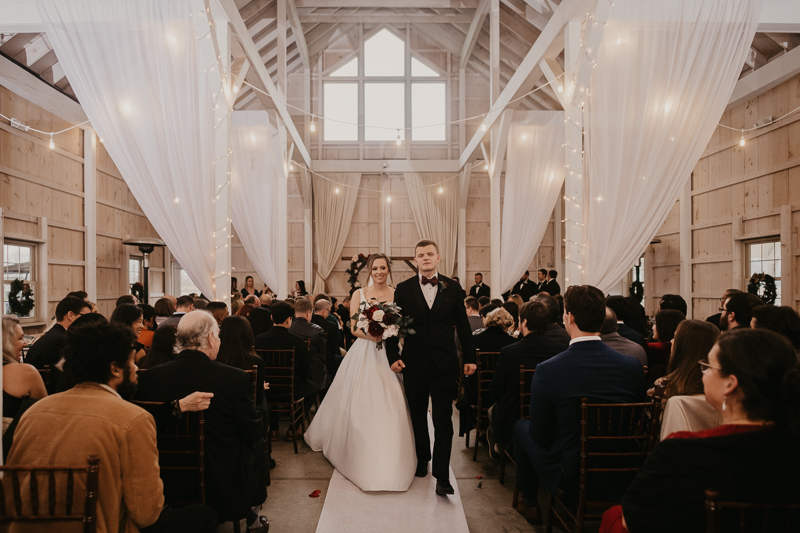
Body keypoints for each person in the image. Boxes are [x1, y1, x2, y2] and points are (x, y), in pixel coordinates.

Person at [7, 322, 218, 533]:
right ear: (115, 368)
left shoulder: (33, 412)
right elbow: (146, 512)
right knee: (204, 515)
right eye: (131, 360)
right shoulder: (133, 419)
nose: (136, 367)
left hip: (22, 527)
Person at [600, 329, 800, 533]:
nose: (702, 372)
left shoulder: (681, 453)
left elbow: (632, 521)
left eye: (708, 367)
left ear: (730, 383)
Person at [512, 285, 645, 524]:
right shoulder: (632, 365)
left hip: (572, 472)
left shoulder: (549, 369)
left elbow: (540, 436)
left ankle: (530, 501)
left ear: (569, 317)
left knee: (521, 427)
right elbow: (633, 422)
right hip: (623, 467)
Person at [135, 311, 267, 532]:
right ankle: (253, 519)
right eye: (218, 335)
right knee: (257, 443)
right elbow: (252, 430)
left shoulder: (150, 377)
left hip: (167, 475)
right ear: (211, 339)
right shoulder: (234, 378)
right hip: (221, 479)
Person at [305, 253, 417, 492]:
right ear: (369, 270)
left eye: (383, 268)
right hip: (365, 350)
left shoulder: (397, 293)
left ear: (388, 270)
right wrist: (372, 335)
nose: (379, 272)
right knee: (359, 399)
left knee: (392, 400)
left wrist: (388, 334)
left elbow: (402, 323)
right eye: (375, 268)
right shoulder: (359, 294)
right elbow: (354, 327)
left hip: (389, 352)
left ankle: (393, 454)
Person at [386, 241, 477, 496]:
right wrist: (392, 355)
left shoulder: (454, 287)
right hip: (413, 364)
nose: (425, 258)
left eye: (429, 254)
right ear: (415, 260)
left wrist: (470, 357)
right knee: (417, 417)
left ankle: (442, 476)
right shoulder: (403, 289)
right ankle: (423, 459)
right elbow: (394, 325)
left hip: (444, 365)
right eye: (420, 255)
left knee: (442, 420)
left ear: (438, 257)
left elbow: (463, 324)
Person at [489, 301, 565, 454]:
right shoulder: (560, 351)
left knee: (493, 410)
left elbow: (495, 391)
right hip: (551, 418)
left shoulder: (509, 352)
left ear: (524, 322)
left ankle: (499, 444)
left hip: (514, 415)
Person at [254, 300, 316, 439]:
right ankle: (294, 428)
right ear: (289, 319)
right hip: (292, 389)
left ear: (271, 318)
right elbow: (306, 370)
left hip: (266, 388)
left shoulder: (258, 340)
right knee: (314, 387)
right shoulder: (297, 342)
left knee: (271, 386)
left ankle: (274, 429)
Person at [654, 320, 721, 438]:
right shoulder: (728, 394)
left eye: (675, 338)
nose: (671, 341)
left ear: (683, 348)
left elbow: (648, 437)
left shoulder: (663, 389)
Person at [457, 308, 516, 440]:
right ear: (507, 323)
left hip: (477, 394)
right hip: (502, 395)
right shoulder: (513, 344)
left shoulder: (473, 341)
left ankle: (483, 430)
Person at [25, 296, 91, 391]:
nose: (89, 322)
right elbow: (65, 379)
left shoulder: (53, 334)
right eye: (85, 317)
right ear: (70, 315)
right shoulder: (62, 340)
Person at [216, 316, 267, 419]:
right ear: (247, 334)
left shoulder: (215, 359)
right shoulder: (256, 361)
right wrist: (260, 387)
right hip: (247, 411)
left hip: (219, 408)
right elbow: (258, 398)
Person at [2, 315, 47, 419]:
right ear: (6, 343)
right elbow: (44, 414)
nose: (26, 343)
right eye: (21, 338)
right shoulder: (26, 372)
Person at [289, 298, 327, 408]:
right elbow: (322, 355)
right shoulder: (317, 330)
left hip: (290, 372)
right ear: (308, 313)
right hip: (310, 373)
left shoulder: (288, 327)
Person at [311, 298, 342, 387]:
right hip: (327, 361)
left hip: (311, 361)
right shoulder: (330, 326)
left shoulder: (308, 323)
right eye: (329, 311)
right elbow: (335, 348)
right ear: (324, 311)